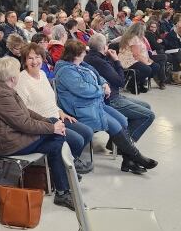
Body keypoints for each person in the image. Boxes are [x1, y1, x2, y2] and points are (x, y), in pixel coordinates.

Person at [0, 56, 76, 209]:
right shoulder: (0, 94)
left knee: (55, 137)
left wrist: (48, 121)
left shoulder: (2, 87)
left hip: (11, 136)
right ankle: (63, 187)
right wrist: (52, 127)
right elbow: (24, 124)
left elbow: (25, 112)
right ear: (12, 77)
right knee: (57, 139)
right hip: (6, 143)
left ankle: (62, 185)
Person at [54, 40, 157, 175]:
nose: (86, 53)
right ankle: (136, 157)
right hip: (81, 109)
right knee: (115, 126)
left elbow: (97, 75)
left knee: (122, 120)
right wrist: (102, 90)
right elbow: (84, 90)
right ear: (76, 54)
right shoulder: (66, 71)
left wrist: (104, 84)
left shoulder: (81, 64)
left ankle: (128, 160)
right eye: (83, 52)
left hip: (94, 103)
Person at [16, 43, 93, 173]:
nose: (35, 61)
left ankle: (69, 164)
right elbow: (22, 112)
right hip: (43, 124)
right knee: (77, 140)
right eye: (30, 58)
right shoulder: (21, 80)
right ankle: (66, 169)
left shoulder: (42, 74)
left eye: (38, 57)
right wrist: (48, 124)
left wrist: (60, 112)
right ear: (24, 61)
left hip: (57, 117)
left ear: (43, 58)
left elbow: (49, 100)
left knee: (87, 132)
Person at [83, 34, 157, 149]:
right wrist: (117, 60)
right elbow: (120, 81)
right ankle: (125, 146)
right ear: (103, 48)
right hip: (111, 99)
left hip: (112, 95)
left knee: (146, 106)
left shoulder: (90, 57)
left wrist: (110, 58)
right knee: (148, 115)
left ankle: (116, 140)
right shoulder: (99, 62)